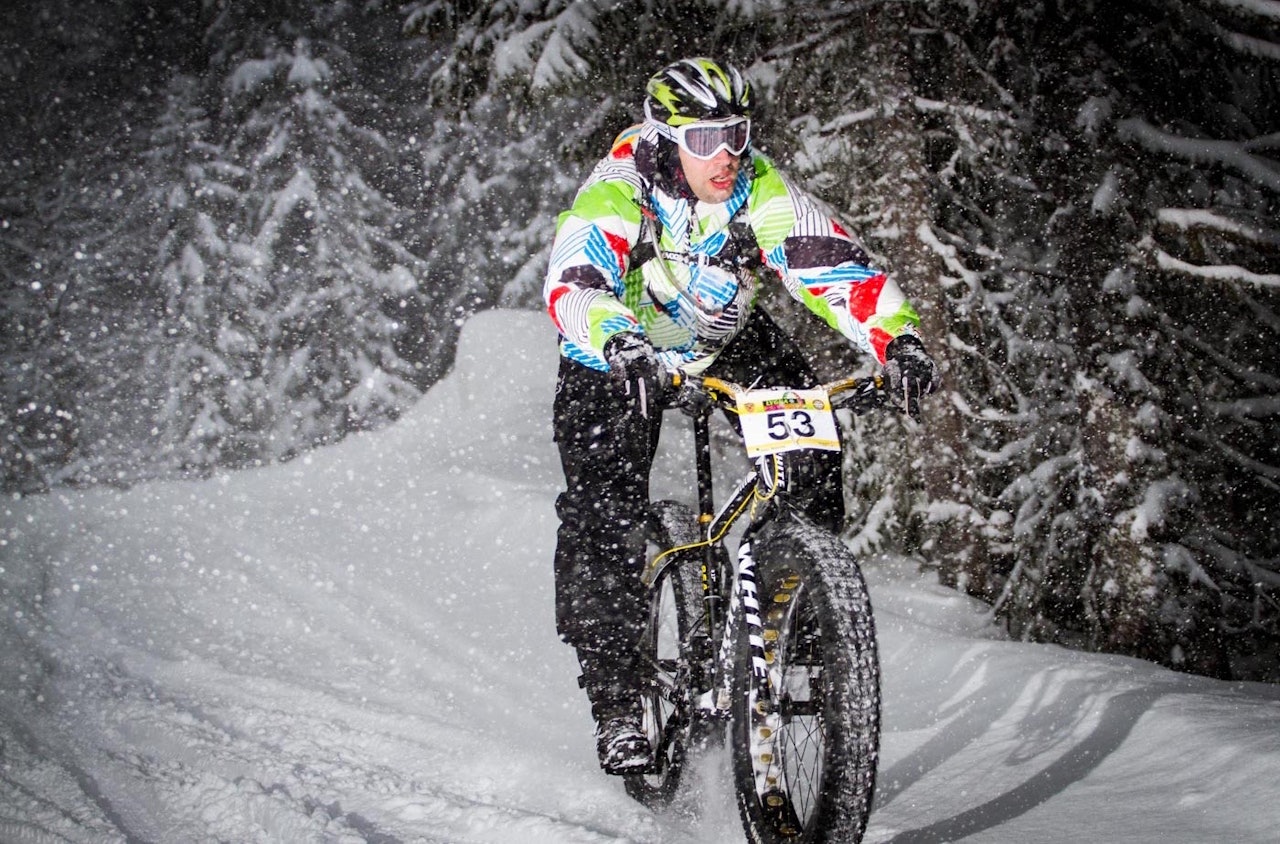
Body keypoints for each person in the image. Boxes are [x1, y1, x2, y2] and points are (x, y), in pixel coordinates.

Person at [543, 57, 939, 774]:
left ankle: (798, 611)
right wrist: (616, 339)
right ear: (666, 139)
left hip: (721, 338)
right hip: (618, 350)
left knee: (811, 436)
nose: (724, 154)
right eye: (704, 140)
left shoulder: (757, 186)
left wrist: (899, 338)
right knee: (604, 512)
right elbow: (575, 279)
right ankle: (616, 700)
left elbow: (835, 266)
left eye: (736, 133)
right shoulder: (620, 186)